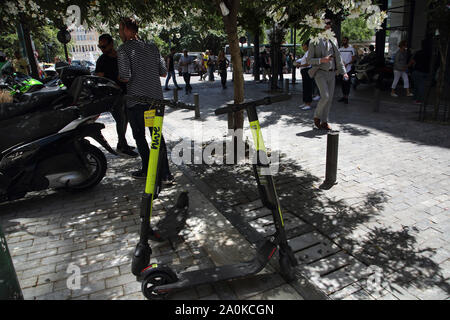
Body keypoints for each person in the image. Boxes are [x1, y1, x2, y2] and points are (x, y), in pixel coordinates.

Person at [117, 17, 173, 183]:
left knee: (140, 136)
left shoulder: (123, 50)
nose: (119, 33)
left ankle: (148, 170)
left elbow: (126, 77)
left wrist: (118, 77)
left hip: (137, 102)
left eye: (120, 29)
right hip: (156, 101)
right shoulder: (152, 47)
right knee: (157, 136)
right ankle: (165, 174)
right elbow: (163, 72)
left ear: (127, 30)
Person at [95, 33, 138, 158]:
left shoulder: (120, 56)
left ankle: (121, 143)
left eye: (104, 46)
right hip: (113, 95)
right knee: (121, 119)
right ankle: (122, 146)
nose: (102, 49)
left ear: (111, 44)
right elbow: (99, 78)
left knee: (126, 119)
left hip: (125, 93)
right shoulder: (102, 60)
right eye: (100, 47)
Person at [306, 18, 348, 131]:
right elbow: (309, 60)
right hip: (320, 72)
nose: (328, 26)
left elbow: (338, 58)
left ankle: (324, 121)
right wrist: (321, 60)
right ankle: (316, 116)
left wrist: (344, 72)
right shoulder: (314, 40)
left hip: (332, 73)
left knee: (329, 100)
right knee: (325, 96)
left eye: (329, 24)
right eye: (325, 24)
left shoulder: (333, 40)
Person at [410, 39, 431, 104]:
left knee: (417, 86)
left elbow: (413, 61)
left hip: (417, 71)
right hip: (425, 71)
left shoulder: (418, 52)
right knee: (421, 86)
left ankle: (415, 99)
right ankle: (419, 99)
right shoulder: (430, 54)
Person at [338, 36, 356, 104]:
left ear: (347, 41)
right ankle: (343, 96)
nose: (344, 41)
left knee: (347, 84)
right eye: (343, 40)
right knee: (342, 84)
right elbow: (338, 59)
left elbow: (353, 59)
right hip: (342, 69)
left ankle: (346, 97)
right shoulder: (340, 49)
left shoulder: (351, 49)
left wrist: (348, 63)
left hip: (348, 69)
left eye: (345, 40)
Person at [296, 41, 314, 110]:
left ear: (306, 46)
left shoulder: (309, 53)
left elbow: (308, 63)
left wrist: (300, 65)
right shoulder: (306, 53)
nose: (302, 47)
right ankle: (305, 102)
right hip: (304, 71)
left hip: (307, 71)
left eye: (303, 45)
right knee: (305, 87)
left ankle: (308, 103)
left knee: (308, 87)